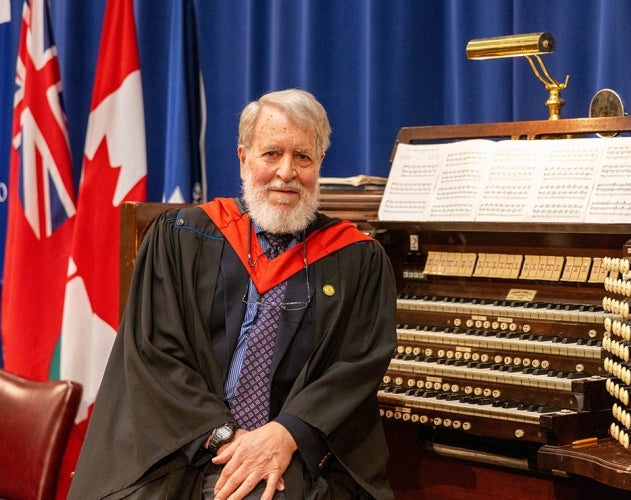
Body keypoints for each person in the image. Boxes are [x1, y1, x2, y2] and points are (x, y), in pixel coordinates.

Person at [69, 89, 397, 500]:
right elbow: (154, 352)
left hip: (294, 450)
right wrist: (223, 437)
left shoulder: (357, 258)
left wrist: (286, 432)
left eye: (303, 157)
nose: (286, 172)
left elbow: (358, 363)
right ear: (243, 158)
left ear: (319, 165)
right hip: (184, 443)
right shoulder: (181, 237)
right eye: (272, 153)